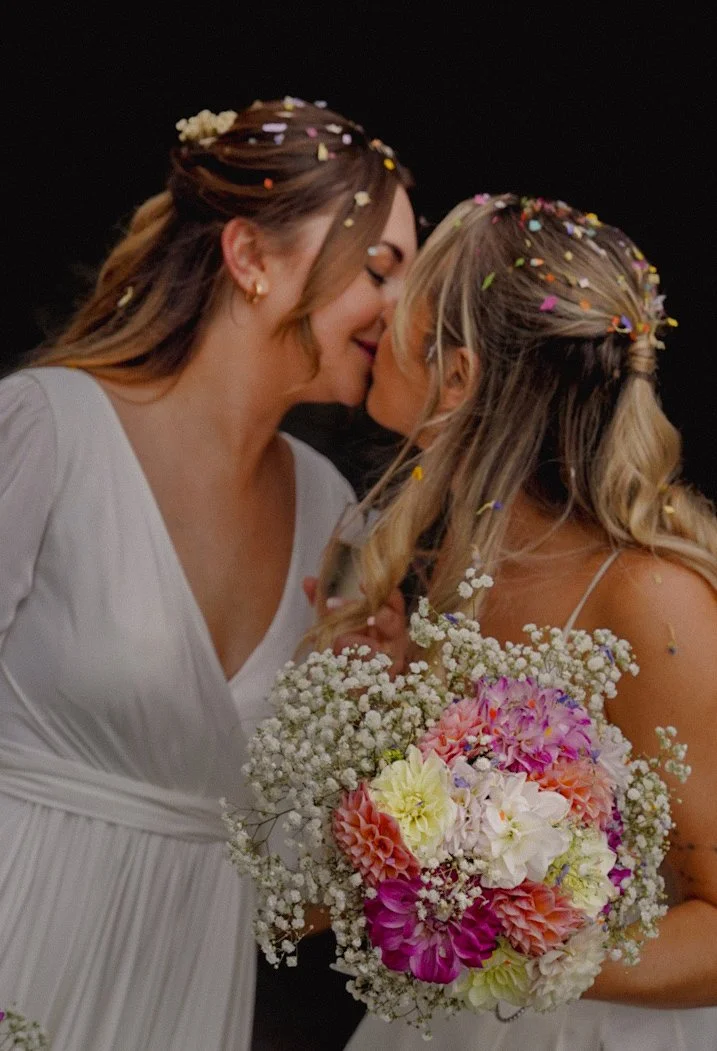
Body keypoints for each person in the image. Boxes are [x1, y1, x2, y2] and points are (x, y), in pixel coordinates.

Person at [0, 96, 417, 1050]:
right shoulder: (44, 427)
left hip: (187, 994)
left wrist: (369, 726)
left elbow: (290, 897)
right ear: (250, 257)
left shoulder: (328, 511)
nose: (400, 315)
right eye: (381, 271)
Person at [310, 193, 717, 1050]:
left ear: (455, 377)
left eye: (411, 287)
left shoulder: (646, 597)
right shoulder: (435, 568)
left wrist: (507, 944)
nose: (384, 308)